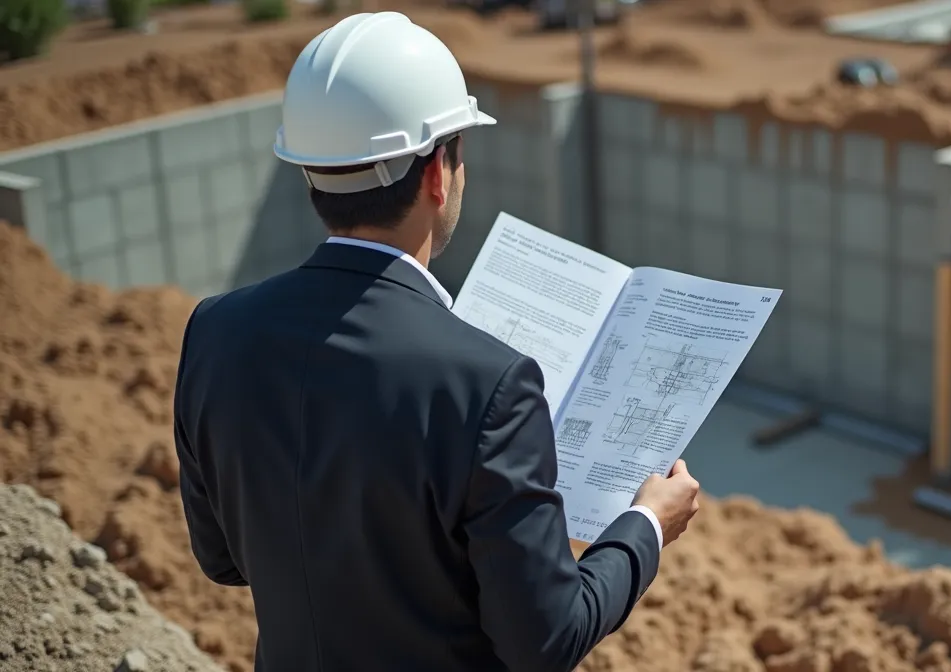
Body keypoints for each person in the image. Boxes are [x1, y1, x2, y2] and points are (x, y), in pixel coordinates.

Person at [171, 12, 701, 672]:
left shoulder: (215, 331)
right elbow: (547, 639)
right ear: (437, 175)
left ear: (310, 171)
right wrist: (646, 526)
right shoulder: (490, 385)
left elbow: (223, 559)